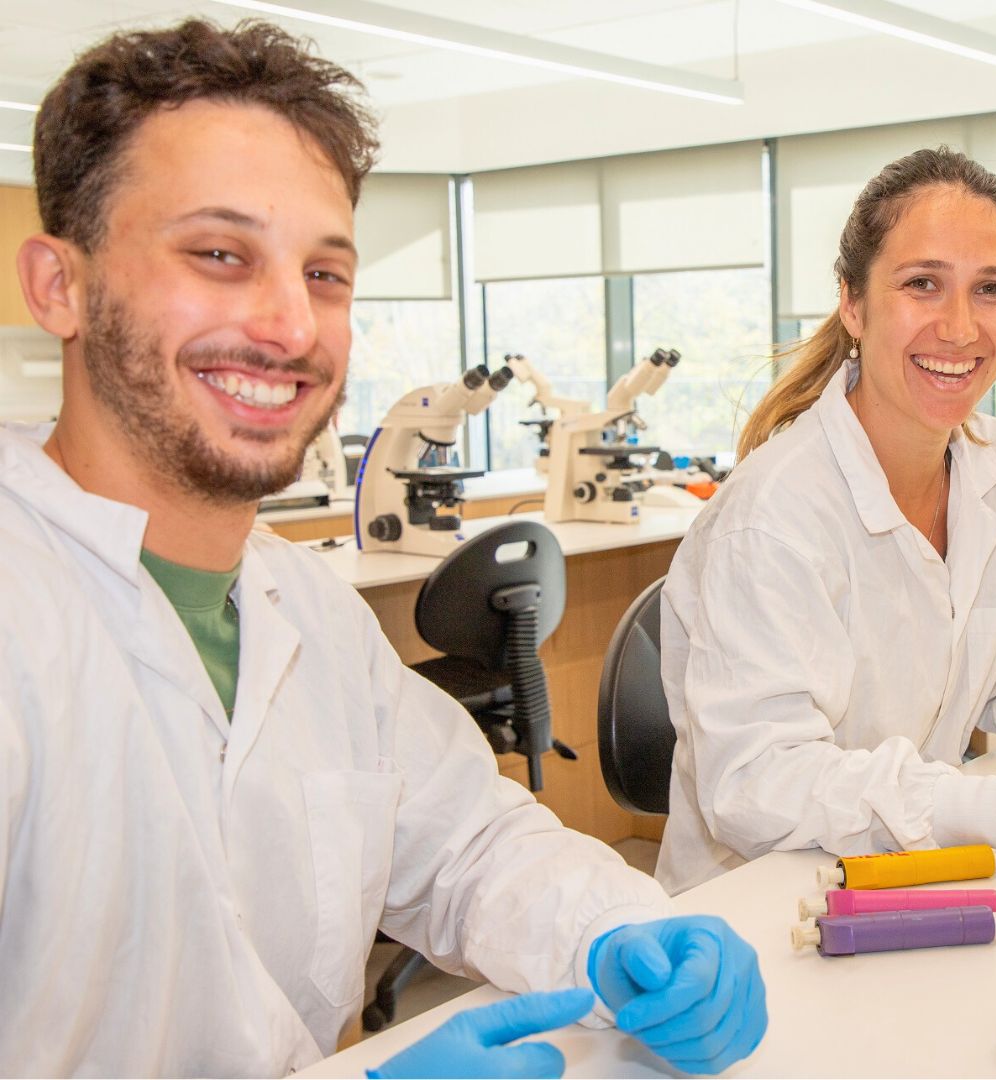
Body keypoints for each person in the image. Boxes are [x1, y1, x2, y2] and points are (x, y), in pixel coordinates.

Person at [0, 18, 767, 1078]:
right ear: (60, 286)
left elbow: (470, 845)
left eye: (325, 273)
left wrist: (620, 930)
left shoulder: (306, 612)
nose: (289, 325)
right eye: (219, 255)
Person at [656, 146, 996, 896]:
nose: (960, 328)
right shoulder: (774, 514)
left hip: (916, 872)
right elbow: (759, 781)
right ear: (852, 304)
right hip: (764, 901)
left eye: (991, 289)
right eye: (922, 284)